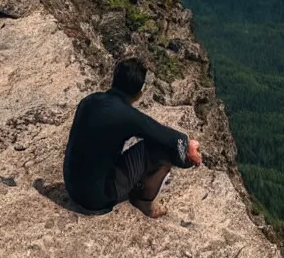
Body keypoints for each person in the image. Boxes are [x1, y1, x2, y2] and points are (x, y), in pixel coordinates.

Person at [63, 58, 202, 218]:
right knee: (159, 148)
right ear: (139, 94)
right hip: (97, 197)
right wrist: (189, 147)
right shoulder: (128, 116)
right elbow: (167, 138)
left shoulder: (89, 100)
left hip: (73, 186)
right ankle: (144, 200)